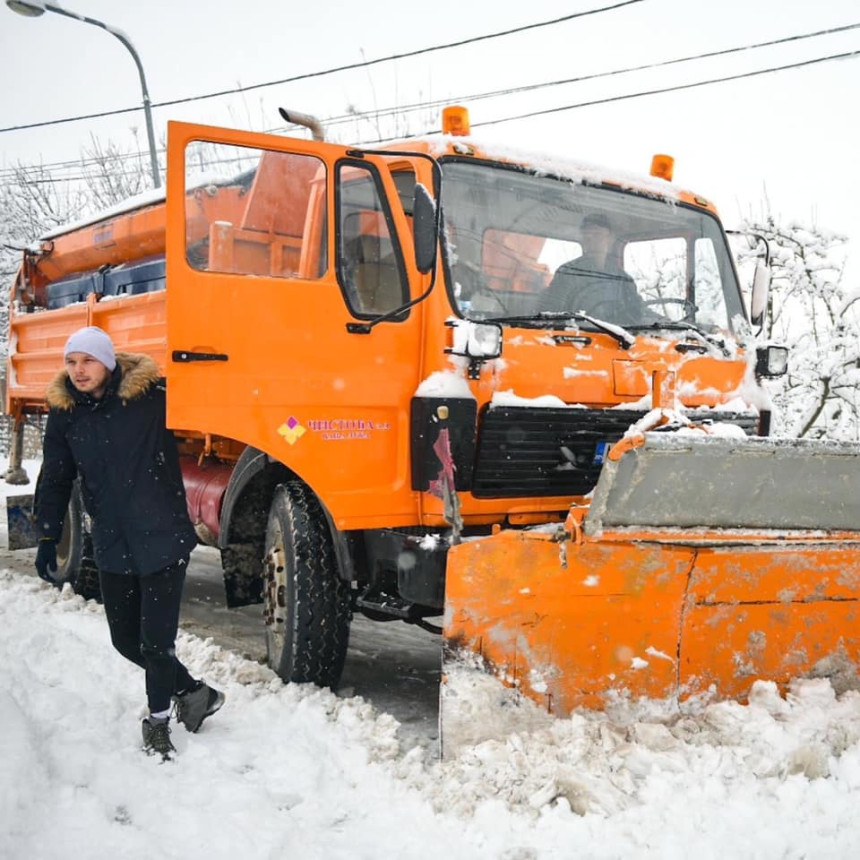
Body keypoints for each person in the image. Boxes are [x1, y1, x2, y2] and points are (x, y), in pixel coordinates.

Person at [34, 326, 224, 761]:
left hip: (162, 536)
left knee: (157, 643)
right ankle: (195, 693)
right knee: (125, 639)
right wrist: (47, 533)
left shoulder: (152, 398)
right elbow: (56, 475)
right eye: (71, 361)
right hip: (113, 539)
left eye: (88, 361)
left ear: (108, 362)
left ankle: (158, 723)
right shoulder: (65, 414)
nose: (78, 371)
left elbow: (213, 393)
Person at [541, 213, 649, 324]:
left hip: (616, 337)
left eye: (597, 235)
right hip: (578, 334)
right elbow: (553, 310)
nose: (591, 240)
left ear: (610, 239)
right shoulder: (568, 272)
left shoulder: (623, 279)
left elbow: (636, 312)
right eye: (586, 236)